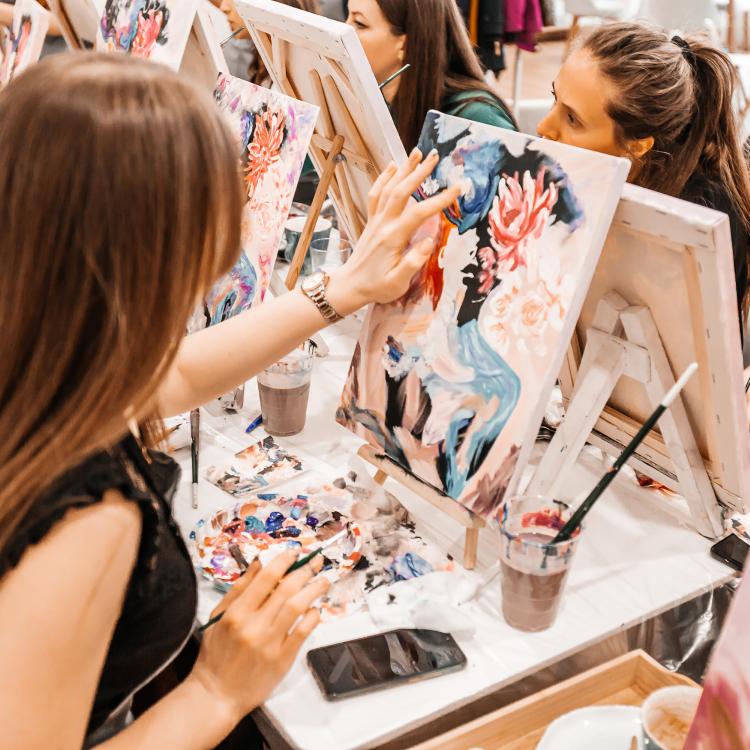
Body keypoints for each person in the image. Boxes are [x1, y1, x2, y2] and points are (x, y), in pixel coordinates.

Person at [0, 52, 460, 749]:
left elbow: (173, 375)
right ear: (149, 258)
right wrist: (217, 691)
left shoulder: (41, 352)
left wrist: (341, 289)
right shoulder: (85, 518)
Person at [537, 22, 750, 331]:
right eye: (553, 99)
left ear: (637, 146)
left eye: (572, 118)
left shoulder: (698, 218)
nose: (544, 127)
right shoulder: (575, 180)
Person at [346, 0, 516, 150]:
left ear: (405, 45)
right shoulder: (378, 104)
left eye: (360, 23)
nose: (344, 29)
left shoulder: (477, 120)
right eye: (348, 17)